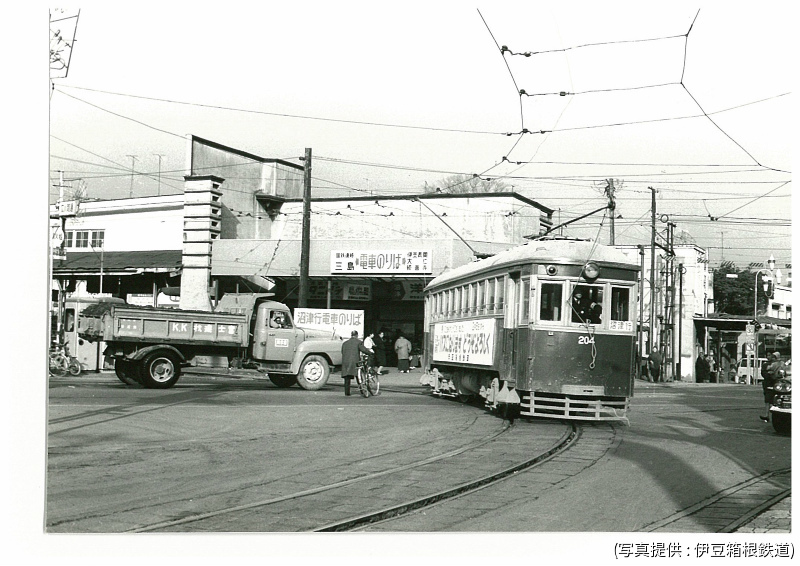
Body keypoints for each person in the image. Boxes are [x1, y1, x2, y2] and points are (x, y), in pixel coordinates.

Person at [340, 330, 372, 396]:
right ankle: (362, 390)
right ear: (357, 335)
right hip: (354, 362)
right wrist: (370, 353)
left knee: (347, 377)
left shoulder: (345, 343)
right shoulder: (358, 342)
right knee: (358, 375)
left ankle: (347, 393)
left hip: (345, 361)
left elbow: (342, 351)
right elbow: (364, 350)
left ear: (351, 335)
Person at [760, 352, 787, 422]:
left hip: (777, 384)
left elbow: (784, 373)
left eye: (772, 356)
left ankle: (775, 415)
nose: (770, 358)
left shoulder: (779, 364)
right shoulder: (766, 364)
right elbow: (764, 373)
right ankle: (767, 415)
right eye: (769, 356)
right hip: (769, 384)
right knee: (768, 400)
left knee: (776, 400)